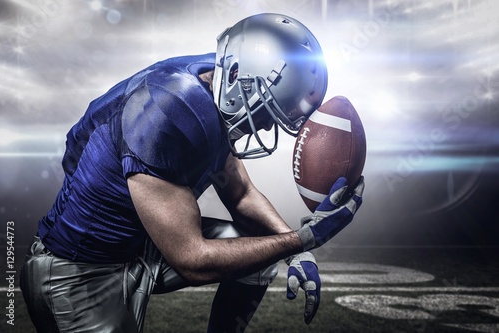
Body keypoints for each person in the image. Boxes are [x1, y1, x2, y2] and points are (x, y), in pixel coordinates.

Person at [20, 13, 365, 333]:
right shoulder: (169, 108)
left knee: (258, 257)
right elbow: (192, 260)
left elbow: (241, 193)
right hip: (80, 271)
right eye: (265, 111)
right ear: (235, 78)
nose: (265, 125)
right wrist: (303, 238)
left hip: (140, 243)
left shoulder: (218, 82)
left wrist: (296, 251)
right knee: (257, 249)